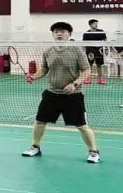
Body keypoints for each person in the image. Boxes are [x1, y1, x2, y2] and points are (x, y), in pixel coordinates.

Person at [21, 21, 100, 163]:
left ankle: (93, 151)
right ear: (52, 34)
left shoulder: (77, 51)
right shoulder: (48, 52)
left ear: (69, 34)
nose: (59, 34)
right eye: (56, 31)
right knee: (39, 121)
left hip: (72, 95)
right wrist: (33, 76)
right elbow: (44, 69)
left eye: (63, 31)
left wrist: (75, 84)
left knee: (82, 125)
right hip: (51, 93)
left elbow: (86, 70)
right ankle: (35, 146)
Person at [82, 19, 108, 85]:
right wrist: (83, 52)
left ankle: (100, 80)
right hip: (90, 50)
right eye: (94, 24)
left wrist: (106, 49)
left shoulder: (101, 32)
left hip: (99, 50)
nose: (96, 25)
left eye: (96, 23)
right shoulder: (86, 33)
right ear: (90, 25)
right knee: (89, 65)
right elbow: (84, 44)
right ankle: (88, 79)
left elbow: (105, 40)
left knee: (99, 65)